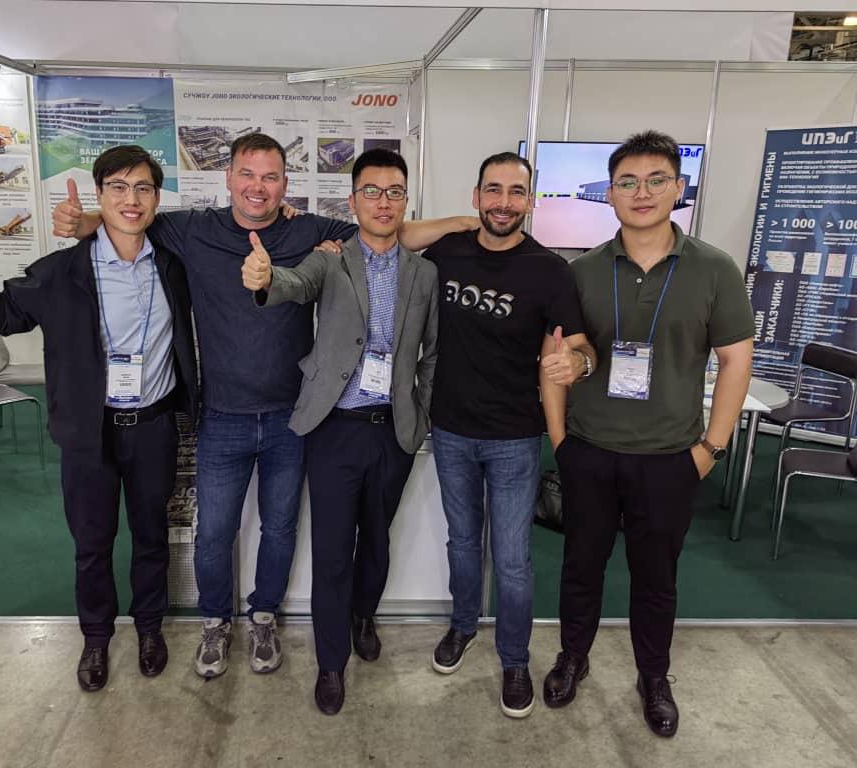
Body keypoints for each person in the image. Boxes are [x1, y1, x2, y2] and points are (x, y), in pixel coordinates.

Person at [53, 134, 474, 679]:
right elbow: (130, 220)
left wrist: (463, 222)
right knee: (213, 535)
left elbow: (388, 231)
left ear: (285, 185)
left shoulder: (308, 231)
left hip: (290, 418)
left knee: (279, 530)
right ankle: (214, 622)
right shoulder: (194, 228)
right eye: (248, 175)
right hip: (221, 417)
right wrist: (83, 222)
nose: (258, 187)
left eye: (270, 177)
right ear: (228, 178)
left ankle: (264, 616)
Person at [0, 145, 198, 692]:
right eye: (118, 187)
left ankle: (149, 629)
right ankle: (96, 638)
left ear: (156, 198)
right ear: (100, 195)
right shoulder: (62, 271)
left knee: (152, 537)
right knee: (92, 544)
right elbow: (4, 314)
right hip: (88, 432)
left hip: (153, 426)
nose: (131, 199)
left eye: (142, 188)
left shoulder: (174, 265)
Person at [539, 130, 754, 737]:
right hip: (590, 451)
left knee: (657, 578)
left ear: (678, 189)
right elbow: (559, 357)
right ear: (609, 193)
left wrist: (710, 449)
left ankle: (653, 676)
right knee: (581, 566)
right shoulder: (581, 271)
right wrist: (560, 440)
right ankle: (573, 657)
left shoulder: (714, 269)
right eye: (627, 182)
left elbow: (736, 360)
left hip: (669, 458)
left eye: (657, 180)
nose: (642, 192)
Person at [242, 148, 438, 715]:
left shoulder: (424, 273)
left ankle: (363, 615)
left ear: (405, 200)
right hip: (334, 428)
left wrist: (421, 414)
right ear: (352, 202)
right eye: (371, 192)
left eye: (394, 192)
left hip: (393, 431)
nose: (383, 202)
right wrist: (265, 279)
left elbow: (433, 354)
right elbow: (293, 284)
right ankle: (331, 662)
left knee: (376, 541)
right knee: (331, 550)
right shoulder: (329, 260)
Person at [422, 152, 595, 719]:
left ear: (531, 201)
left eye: (515, 192)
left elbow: (578, 345)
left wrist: (577, 364)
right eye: (492, 191)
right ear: (476, 197)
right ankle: (462, 626)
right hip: (450, 428)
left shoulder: (549, 270)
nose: (503, 203)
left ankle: (515, 659)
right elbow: (394, 235)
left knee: (514, 560)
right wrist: (456, 222)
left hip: (514, 438)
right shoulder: (448, 250)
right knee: (462, 542)